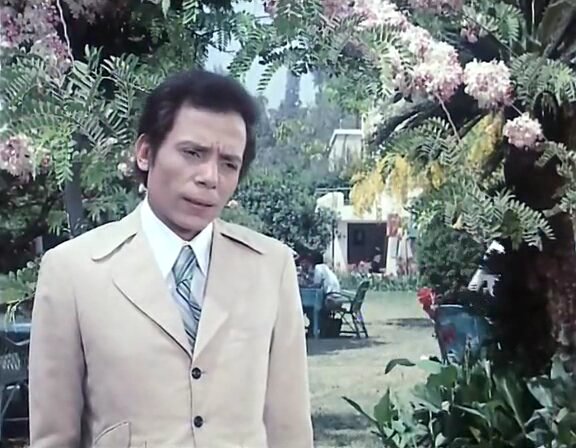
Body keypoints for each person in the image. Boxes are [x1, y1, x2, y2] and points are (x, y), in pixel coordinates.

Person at [29, 70, 313, 448]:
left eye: (229, 164)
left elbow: (290, 430)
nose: (210, 177)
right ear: (145, 153)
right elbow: (54, 437)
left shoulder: (270, 267)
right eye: (193, 153)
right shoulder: (74, 271)